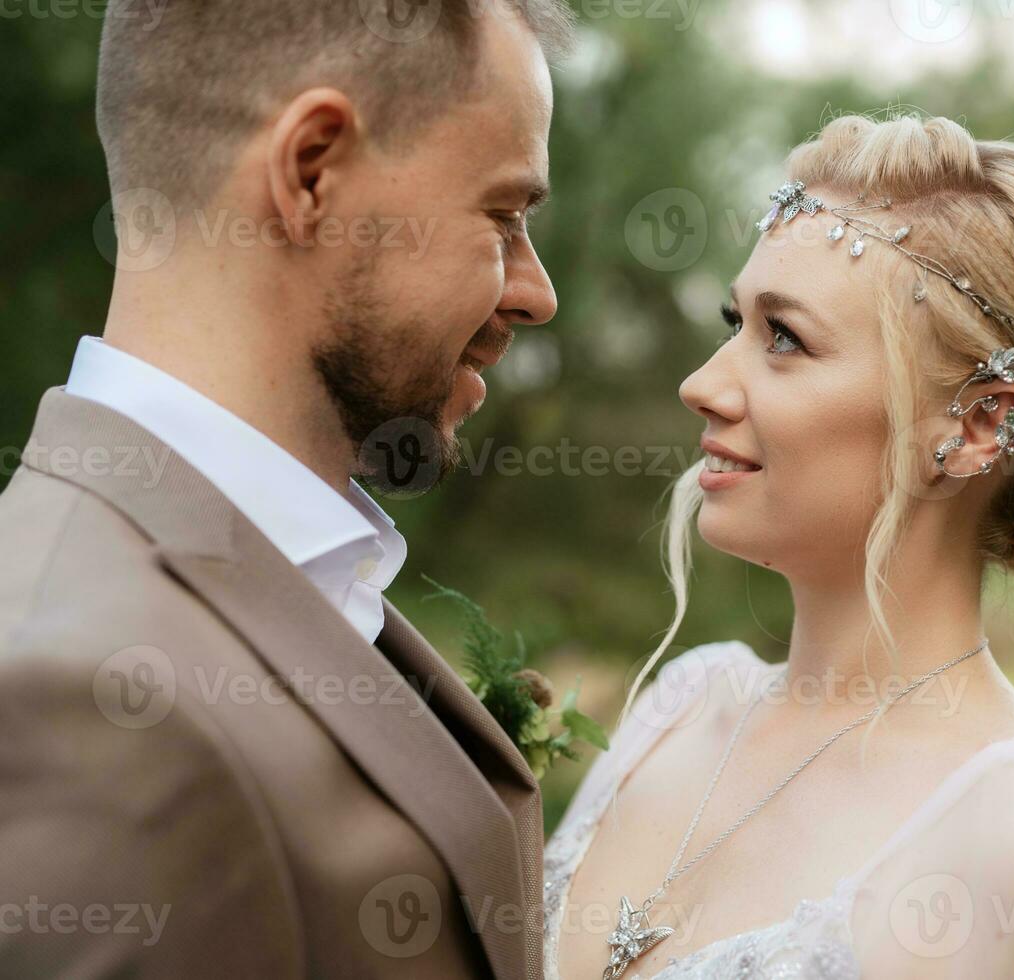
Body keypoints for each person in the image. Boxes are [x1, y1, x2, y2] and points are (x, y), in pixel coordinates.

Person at [544, 113, 1014, 979]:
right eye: (731, 322)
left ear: (978, 421)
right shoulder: (680, 710)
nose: (701, 384)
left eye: (785, 338)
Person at [0, 1, 571, 976]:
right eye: (503, 215)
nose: (535, 290)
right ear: (311, 170)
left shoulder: (291, 573)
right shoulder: (74, 697)